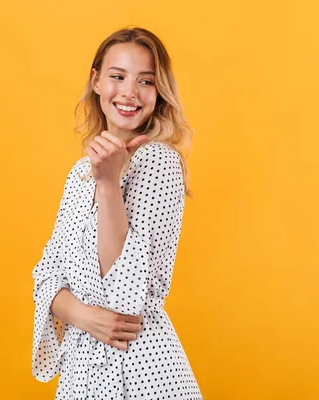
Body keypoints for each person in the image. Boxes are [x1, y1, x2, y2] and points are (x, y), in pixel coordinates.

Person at [31, 26, 203, 400]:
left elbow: (125, 296)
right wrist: (82, 316)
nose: (129, 92)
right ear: (96, 81)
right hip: (82, 372)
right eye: (117, 76)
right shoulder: (79, 173)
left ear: (158, 93)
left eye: (146, 81)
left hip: (140, 372)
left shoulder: (159, 162)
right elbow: (45, 277)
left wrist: (109, 184)